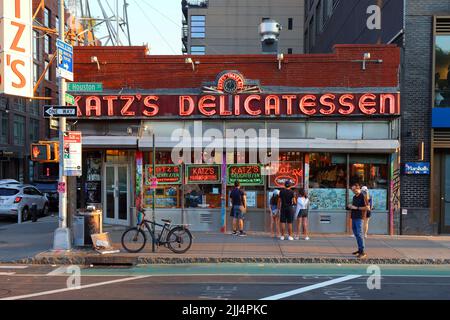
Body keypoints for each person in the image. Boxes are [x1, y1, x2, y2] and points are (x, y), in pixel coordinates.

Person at [348, 183, 370, 259]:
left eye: (354, 189)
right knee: (356, 234)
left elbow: (367, 207)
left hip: (359, 218)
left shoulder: (363, 196)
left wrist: (356, 208)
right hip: (354, 217)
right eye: (352, 190)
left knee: (360, 234)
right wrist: (350, 206)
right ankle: (359, 249)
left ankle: (362, 252)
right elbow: (354, 207)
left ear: (358, 188)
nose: (353, 191)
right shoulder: (354, 197)